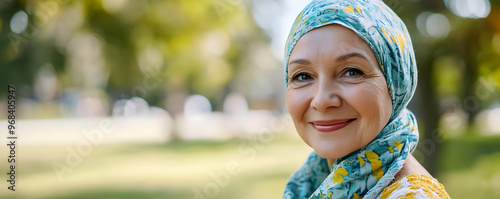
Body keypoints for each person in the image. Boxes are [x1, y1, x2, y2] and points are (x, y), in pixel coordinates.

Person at [283, 0, 451, 198]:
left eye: (352, 72)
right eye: (303, 76)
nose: (321, 100)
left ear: (396, 83)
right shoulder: (314, 181)